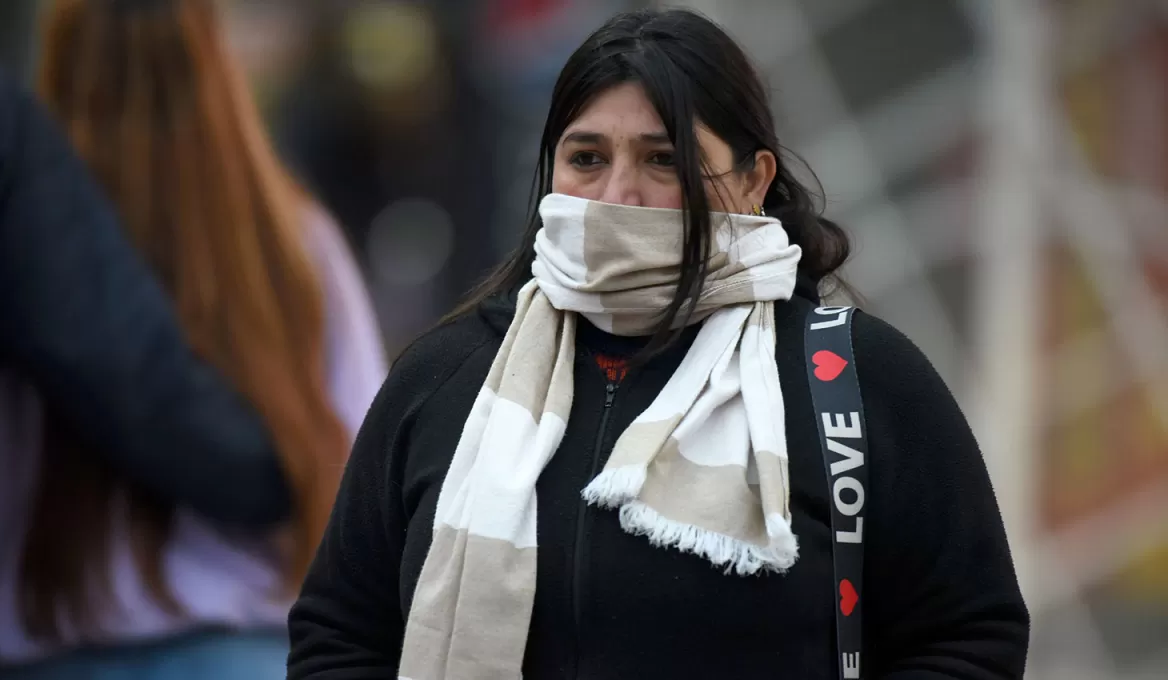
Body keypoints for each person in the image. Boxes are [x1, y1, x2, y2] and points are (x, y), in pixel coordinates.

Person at [288, 8, 1029, 680]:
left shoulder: (856, 379)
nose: (618, 195)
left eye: (663, 160)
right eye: (586, 158)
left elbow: (967, 636)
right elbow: (340, 634)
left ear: (752, 180)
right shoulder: (446, 376)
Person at [0, 0, 388, 676]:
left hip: (41, 654)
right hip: (256, 655)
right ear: (215, 65)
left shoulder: (10, 247)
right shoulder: (296, 246)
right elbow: (367, 482)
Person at [0, 48, 289, 646]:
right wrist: (282, 475)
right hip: (230, 624)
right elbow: (111, 362)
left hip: (32, 630)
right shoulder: (290, 240)